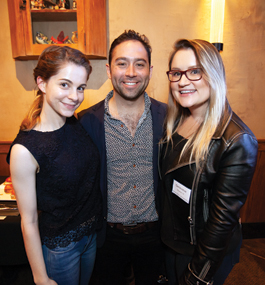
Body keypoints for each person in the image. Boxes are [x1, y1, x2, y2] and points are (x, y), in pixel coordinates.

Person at [159, 38, 258, 285]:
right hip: (172, 241)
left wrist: (196, 276)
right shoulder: (174, 123)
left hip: (201, 253)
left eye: (195, 72)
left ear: (213, 75)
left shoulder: (236, 139)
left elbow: (221, 223)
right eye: (177, 73)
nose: (183, 81)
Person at [7, 46, 102, 285]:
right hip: (61, 249)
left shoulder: (73, 123)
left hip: (91, 236)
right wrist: (40, 277)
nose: (74, 96)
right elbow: (28, 221)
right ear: (42, 83)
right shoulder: (24, 150)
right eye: (64, 84)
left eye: (80, 87)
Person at [78, 30, 167, 285]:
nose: (131, 72)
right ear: (108, 70)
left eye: (140, 64)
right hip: (107, 237)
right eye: (122, 63)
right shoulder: (87, 122)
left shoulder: (168, 118)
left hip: (155, 236)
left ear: (150, 70)